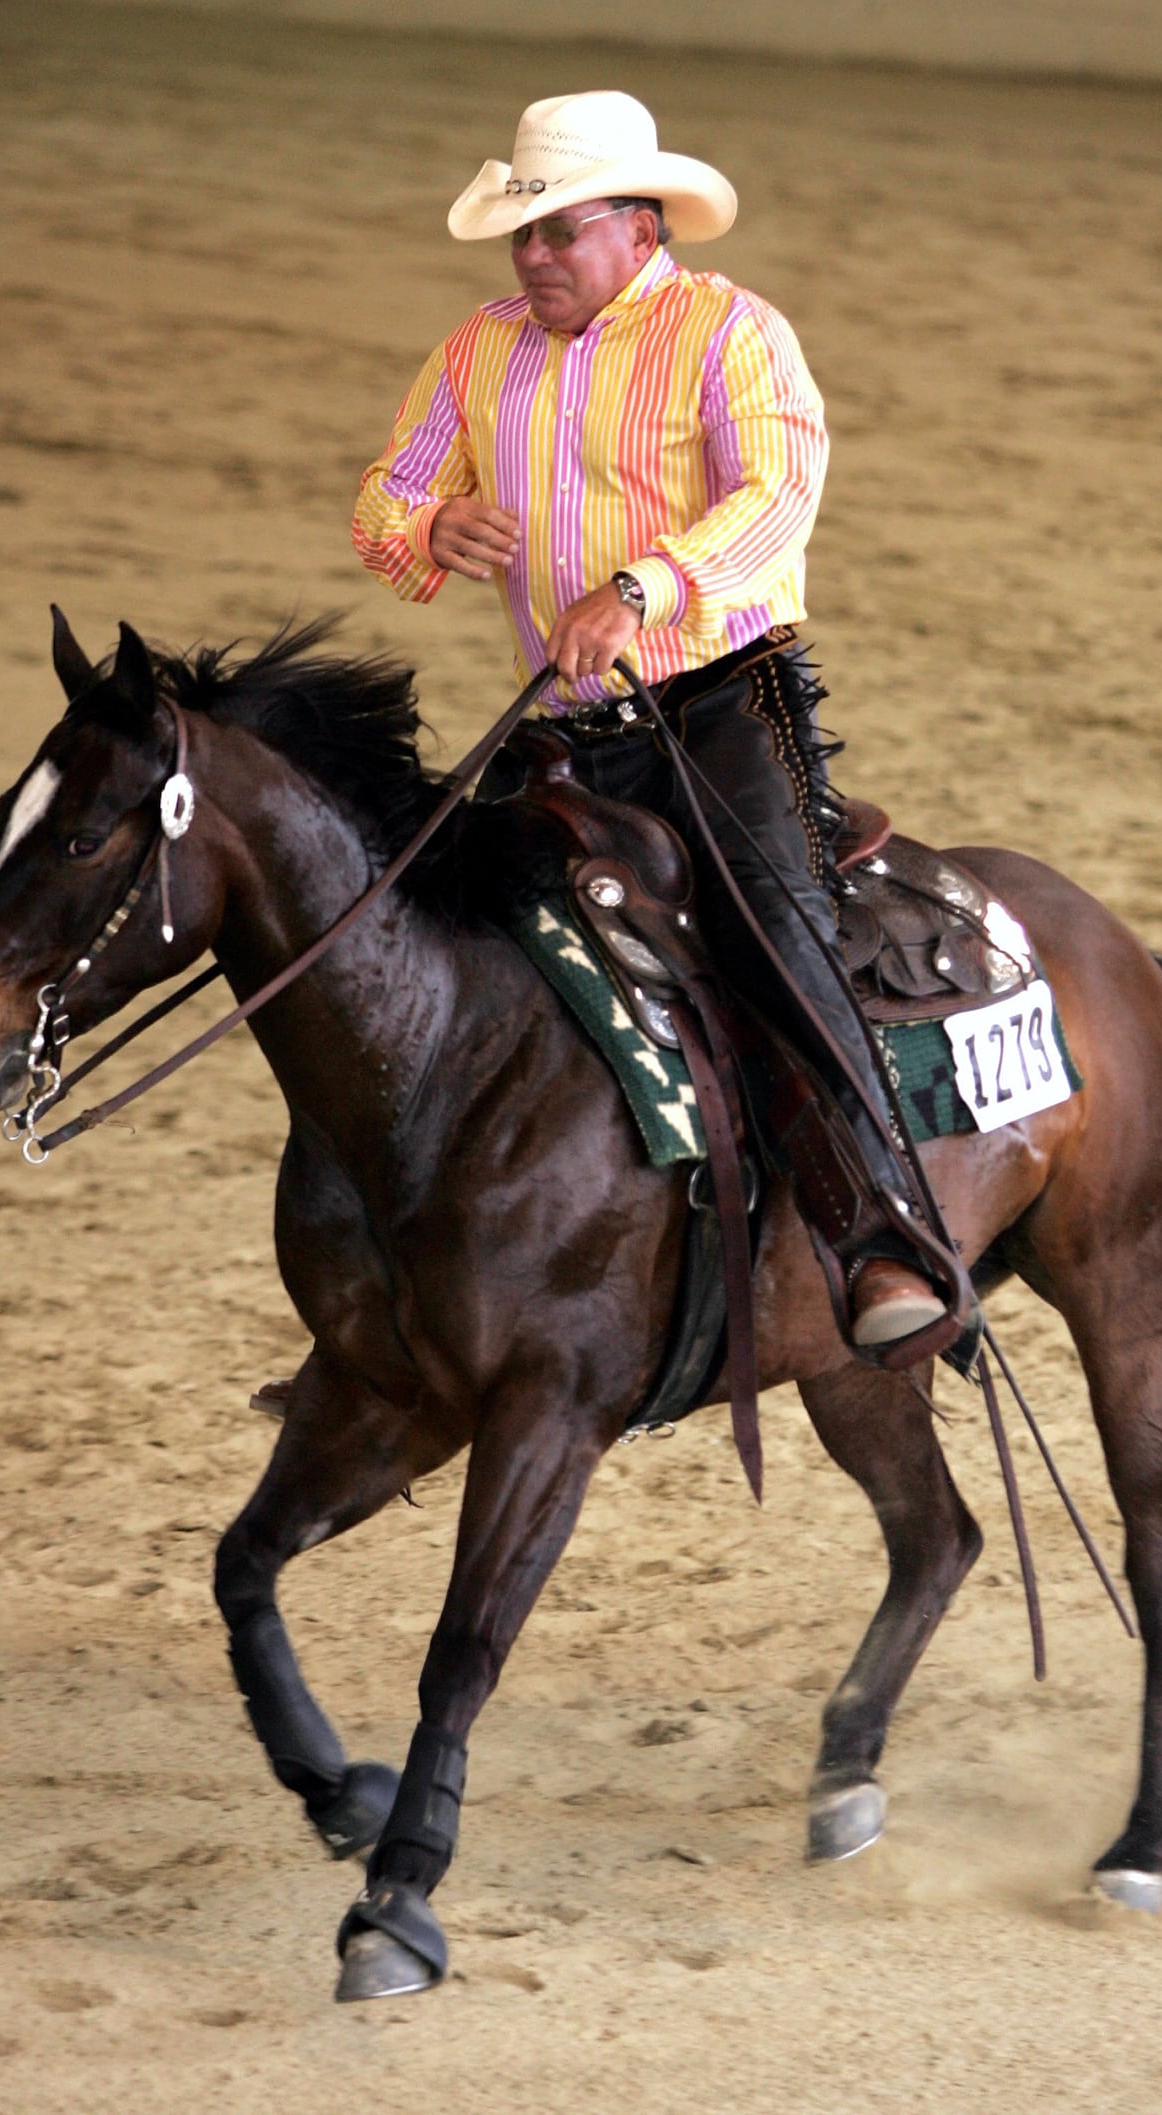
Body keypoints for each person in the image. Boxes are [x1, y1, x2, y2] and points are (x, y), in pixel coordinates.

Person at [351, 91, 941, 1349]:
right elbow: (387, 499)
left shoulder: (732, 332)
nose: (533, 257)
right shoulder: (477, 351)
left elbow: (779, 494)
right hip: (564, 719)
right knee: (422, 931)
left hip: (721, 698)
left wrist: (639, 589)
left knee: (773, 923)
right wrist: (427, 531)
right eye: (524, 234)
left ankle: (882, 1232)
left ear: (638, 225)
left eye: (560, 232)